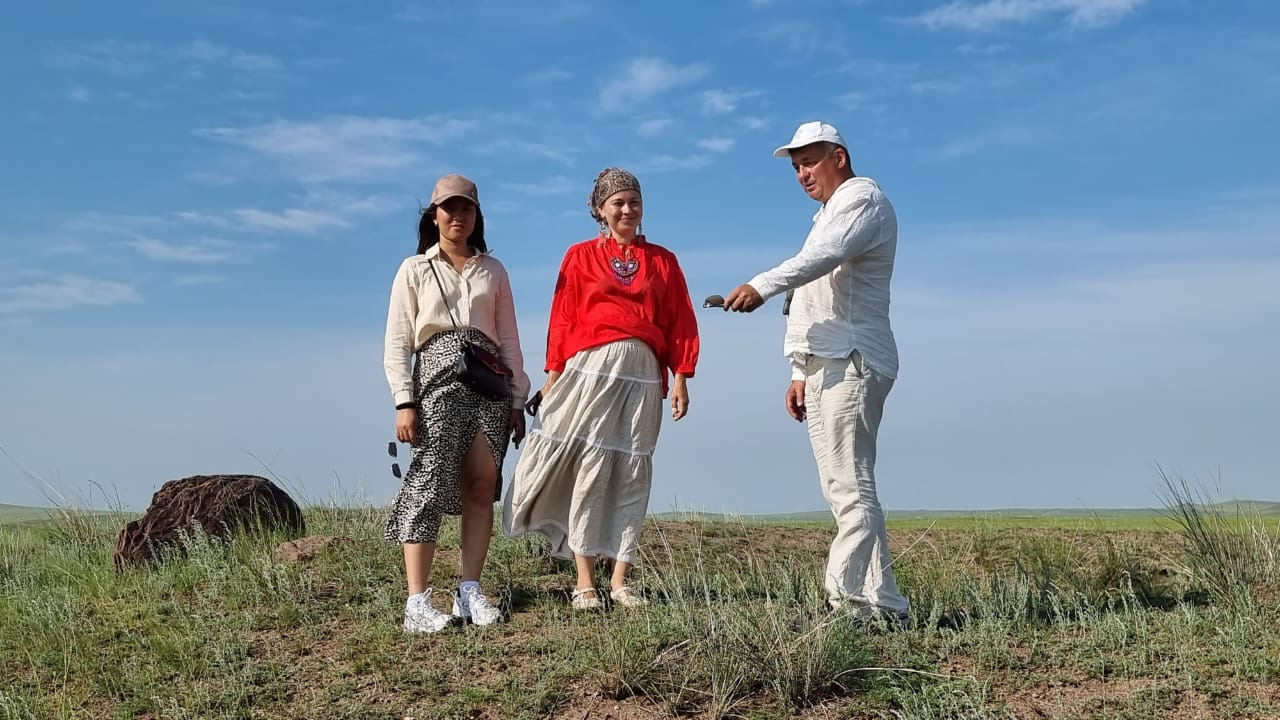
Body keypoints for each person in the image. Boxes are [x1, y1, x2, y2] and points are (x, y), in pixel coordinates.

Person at [723, 121, 910, 624]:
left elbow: (822, 259)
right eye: (796, 166)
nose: (802, 174)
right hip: (826, 361)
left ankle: (843, 603)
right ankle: (885, 604)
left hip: (854, 357)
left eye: (809, 161)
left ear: (838, 157)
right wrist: (798, 371)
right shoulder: (827, 214)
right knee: (844, 486)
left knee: (851, 485)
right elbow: (808, 296)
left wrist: (761, 284)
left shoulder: (863, 199)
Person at [503, 167, 699, 611]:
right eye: (618, 203)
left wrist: (682, 376)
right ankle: (585, 580)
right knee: (589, 466)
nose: (627, 209)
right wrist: (553, 376)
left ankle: (621, 579)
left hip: (643, 372)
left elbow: (680, 319)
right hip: (590, 370)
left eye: (634, 201)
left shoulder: (663, 260)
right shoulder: (579, 256)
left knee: (631, 468)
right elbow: (563, 318)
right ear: (600, 209)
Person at [383, 173, 531, 633]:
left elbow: (508, 338)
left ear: (476, 215)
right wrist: (404, 402)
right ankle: (416, 601)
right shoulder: (414, 268)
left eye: (466, 208)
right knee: (427, 480)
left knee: (482, 485)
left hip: (489, 381)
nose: (458, 216)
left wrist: (517, 398)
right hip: (436, 378)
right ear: (434, 215)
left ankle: (470, 590)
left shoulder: (494, 270)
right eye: (449, 208)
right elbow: (397, 342)